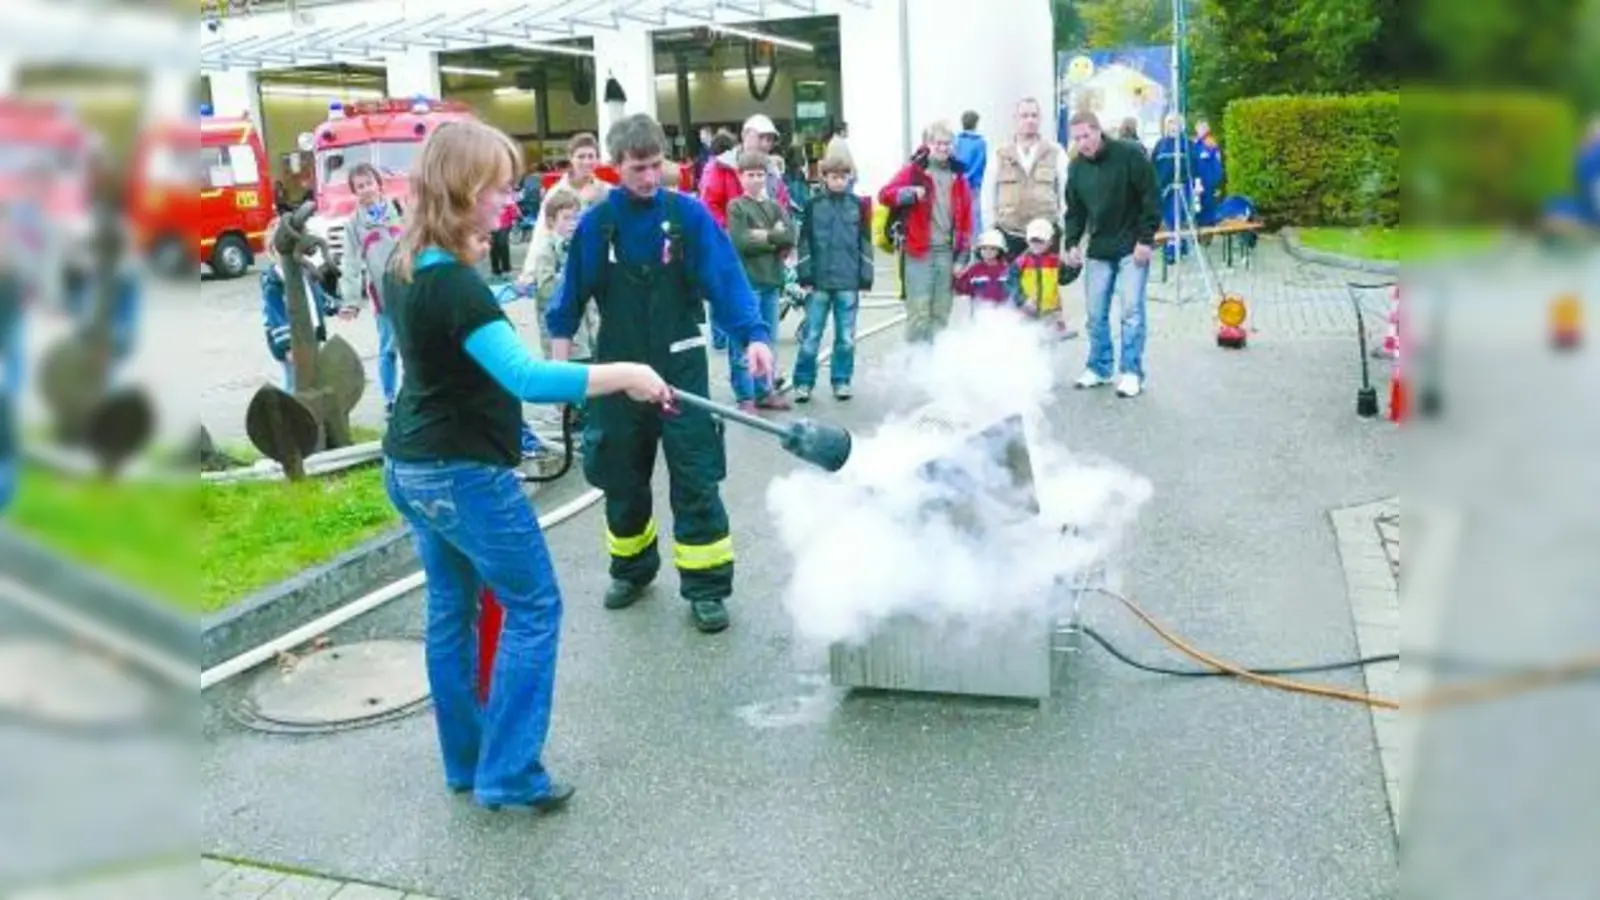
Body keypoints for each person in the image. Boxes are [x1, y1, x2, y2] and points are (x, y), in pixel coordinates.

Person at [382, 118, 672, 813]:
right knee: (534, 606)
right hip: (462, 475)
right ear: (462, 188)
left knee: (452, 613)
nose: (510, 198)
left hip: (410, 467)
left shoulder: (404, 263)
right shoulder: (456, 286)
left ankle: (469, 762)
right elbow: (526, 378)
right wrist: (628, 370)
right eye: (499, 186)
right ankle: (509, 774)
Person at [546, 113, 776, 634]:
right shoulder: (596, 225)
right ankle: (632, 569)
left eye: (655, 166)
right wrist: (561, 372)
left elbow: (726, 279)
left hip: (681, 370)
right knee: (622, 476)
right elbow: (566, 302)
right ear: (614, 168)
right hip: (618, 374)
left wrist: (755, 336)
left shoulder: (688, 217)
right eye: (637, 169)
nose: (649, 179)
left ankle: (707, 587)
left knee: (696, 477)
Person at [1061, 111, 1160, 398]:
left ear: (1098, 131)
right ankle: (1100, 367)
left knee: (1131, 311)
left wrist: (1146, 238)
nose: (1082, 143)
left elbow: (1150, 196)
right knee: (1095, 314)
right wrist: (1071, 244)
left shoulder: (1129, 155)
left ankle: (1131, 372)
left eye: (1086, 136)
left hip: (1132, 246)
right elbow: (1075, 211)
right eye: (1077, 138)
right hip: (1099, 248)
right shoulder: (1077, 168)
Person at [878, 121, 975, 345]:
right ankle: (914, 367)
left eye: (947, 143)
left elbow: (967, 221)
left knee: (940, 314)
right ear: (928, 144)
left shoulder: (959, 177)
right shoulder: (914, 171)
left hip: (947, 253)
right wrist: (908, 193)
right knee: (919, 314)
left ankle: (933, 370)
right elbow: (884, 194)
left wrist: (962, 258)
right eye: (938, 142)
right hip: (918, 252)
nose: (943, 147)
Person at [793, 151, 874, 402]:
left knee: (846, 338)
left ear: (850, 177)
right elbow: (803, 242)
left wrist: (866, 277)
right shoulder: (813, 205)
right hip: (818, 283)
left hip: (848, 282)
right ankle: (803, 383)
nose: (839, 181)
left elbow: (865, 243)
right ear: (824, 178)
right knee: (811, 338)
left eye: (843, 176)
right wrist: (804, 276)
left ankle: (841, 381)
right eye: (833, 176)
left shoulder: (859, 206)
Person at [726, 150, 796, 413]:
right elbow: (742, 241)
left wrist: (764, 236)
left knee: (768, 340)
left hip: (771, 281)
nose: (756, 180)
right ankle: (745, 395)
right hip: (747, 283)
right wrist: (773, 236)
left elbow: (789, 236)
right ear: (740, 177)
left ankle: (765, 390)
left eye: (760, 174)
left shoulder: (774, 206)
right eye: (750, 175)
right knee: (744, 342)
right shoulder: (737, 207)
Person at [338, 164, 405, 415]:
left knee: (414, 347)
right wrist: (351, 300)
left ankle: (414, 396)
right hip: (382, 296)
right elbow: (351, 262)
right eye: (360, 186)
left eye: (369, 183)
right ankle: (389, 399)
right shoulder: (354, 224)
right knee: (388, 348)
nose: (366, 190)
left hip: (409, 290)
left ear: (379, 184)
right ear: (355, 192)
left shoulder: (400, 209)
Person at [262, 217, 346, 393]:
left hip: (312, 333)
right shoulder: (273, 281)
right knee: (293, 381)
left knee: (312, 378)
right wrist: (288, 347)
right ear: (273, 250)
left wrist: (337, 308)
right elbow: (275, 315)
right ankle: (286, 416)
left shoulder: (305, 271)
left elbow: (317, 297)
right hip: (291, 340)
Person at [982, 97, 1070, 260]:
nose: (1030, 120)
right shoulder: (999, 154)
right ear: (1015, 119)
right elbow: (988, 195)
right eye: (1024, 116)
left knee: (1044, 284)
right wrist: (991, 231)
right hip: (1009, 237)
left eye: (1034, 115)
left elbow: (1067, 194)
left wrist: (1063, 230)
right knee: (1009, 285)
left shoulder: (1056, 152)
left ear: (1040, 119)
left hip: (1046, 238)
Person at [699, 114, 792, 228]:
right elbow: (709, 207)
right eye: (760, 137)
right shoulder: (720, 166)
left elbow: (782, 205)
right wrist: (734, 231)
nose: (765, 144)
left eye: (770, 139)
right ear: (744, 135)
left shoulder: (773, 170)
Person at [1010, 217, 1074, 338]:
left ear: (1050, 242)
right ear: (1027, 240)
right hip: (1027, 311)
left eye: (1041, 241)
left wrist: (1074, 267)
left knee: (1049, 348)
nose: (1036, 245)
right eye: (1033, 241)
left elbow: (1065, 279)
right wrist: (1022, 300)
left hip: (1050, 312)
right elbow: (1011, 283)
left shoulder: (1055, 261)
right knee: (1029, 343)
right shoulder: (1020, 262)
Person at [1151, 115, 1196, 264]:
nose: (1173, 126)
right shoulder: (1160, 144)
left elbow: (1195, 167)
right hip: (1163, 189)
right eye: (1170, 123)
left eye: (1176, 123)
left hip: (1182, 187)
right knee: (1169, 218)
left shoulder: (1187, 144)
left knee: (1176, 217)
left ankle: (1172, 249)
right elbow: (1153, 167)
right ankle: (1179, 245)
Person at [954, 228, 1016, 314]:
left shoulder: (1007, 270)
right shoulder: (974, 270)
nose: (988, 252)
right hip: (980, 315)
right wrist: (955, 278)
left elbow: (1015, 291)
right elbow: (961, 288)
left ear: (1000, 250)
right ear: (979, 250)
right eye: (984, 248)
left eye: (992, 248)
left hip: (1004, 314)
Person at [951, 110, 988, 232]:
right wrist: (970, 177)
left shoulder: (956, 141)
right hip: (974, 184)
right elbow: (980, 164)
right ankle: (975, 246)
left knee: (957, 213)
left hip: (957, 182)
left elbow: (953, 160)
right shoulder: (980, 143)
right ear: (976, 123)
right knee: (974, 216)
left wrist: (960, 177)